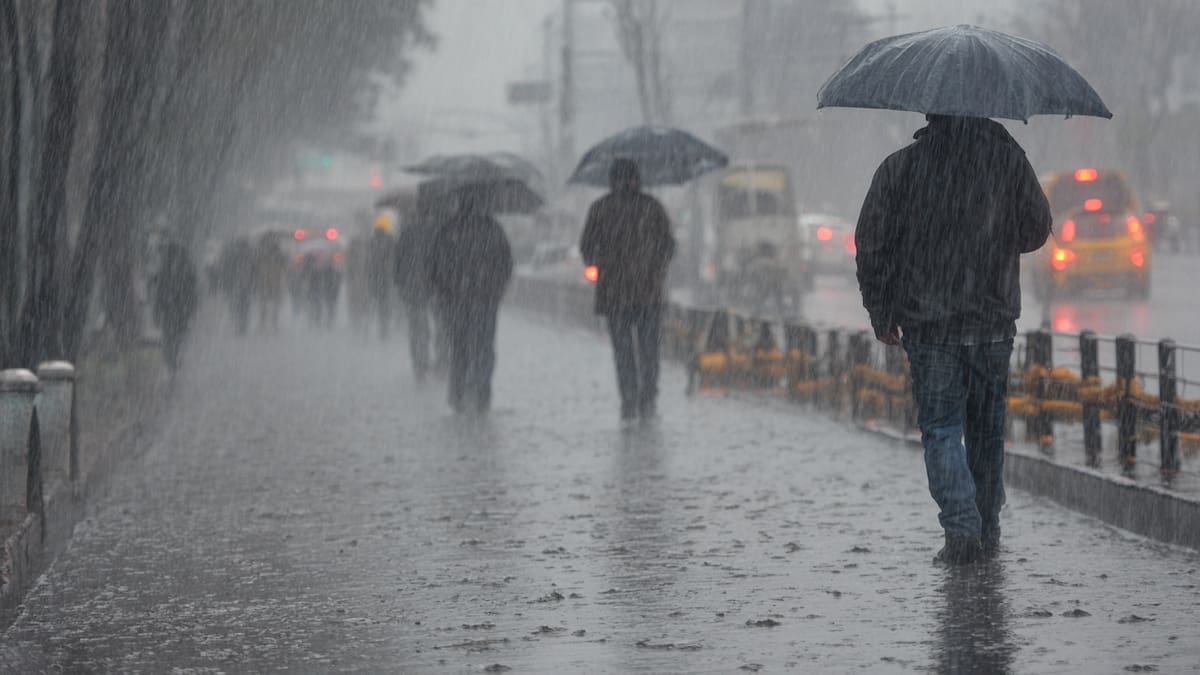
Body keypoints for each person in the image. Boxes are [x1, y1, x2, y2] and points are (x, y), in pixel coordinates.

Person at [855, 114, 1051, 565]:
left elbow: (871, 244)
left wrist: (881, 310)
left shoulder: (900, 169)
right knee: (987, 431)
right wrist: (997, 239)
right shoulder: (1006, 160)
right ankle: (987, 527)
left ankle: (963, 531)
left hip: (929, 323)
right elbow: (1038, 226)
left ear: (929, 114)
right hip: (993, 318)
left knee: (941, 429)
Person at [580, 158, 675, 422]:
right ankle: (647, 399)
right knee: (649, 351)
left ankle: (629, 399)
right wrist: (655, 266)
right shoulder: (651, 207)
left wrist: (600, 264)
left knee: (623, 352)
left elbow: (587, 247)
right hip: (649, 293)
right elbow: (669, 245)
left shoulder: (601, 209)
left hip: (614, 294)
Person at [426, 188, 513, 414]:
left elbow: (434, 265)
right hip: (485, 299)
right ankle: (482, 395)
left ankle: (458, 395)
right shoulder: (493, 229)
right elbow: (506, 264)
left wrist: (444, 291)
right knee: (483, 348)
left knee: (459, 348)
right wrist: (495, 289)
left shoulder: (448, 229)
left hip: (455, 300)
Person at [152, 241, 199, 374]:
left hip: (173, 310)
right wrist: (192, 309)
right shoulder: (183, 267)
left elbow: (159, 293)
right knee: (176, 337)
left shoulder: (167, 268)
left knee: (172, 338)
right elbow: (193, 291)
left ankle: (172, 361)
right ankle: (173, 360)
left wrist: (156, 312)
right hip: (177, 310)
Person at [366, 215, 396, 340]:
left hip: (375, 277)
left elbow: (369, 260)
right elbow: (393, 258)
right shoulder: (391, 241)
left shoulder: (373, 241)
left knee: (375, 305)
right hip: (386, 278)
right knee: (385, 306)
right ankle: (384, 330)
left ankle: (367, 330)